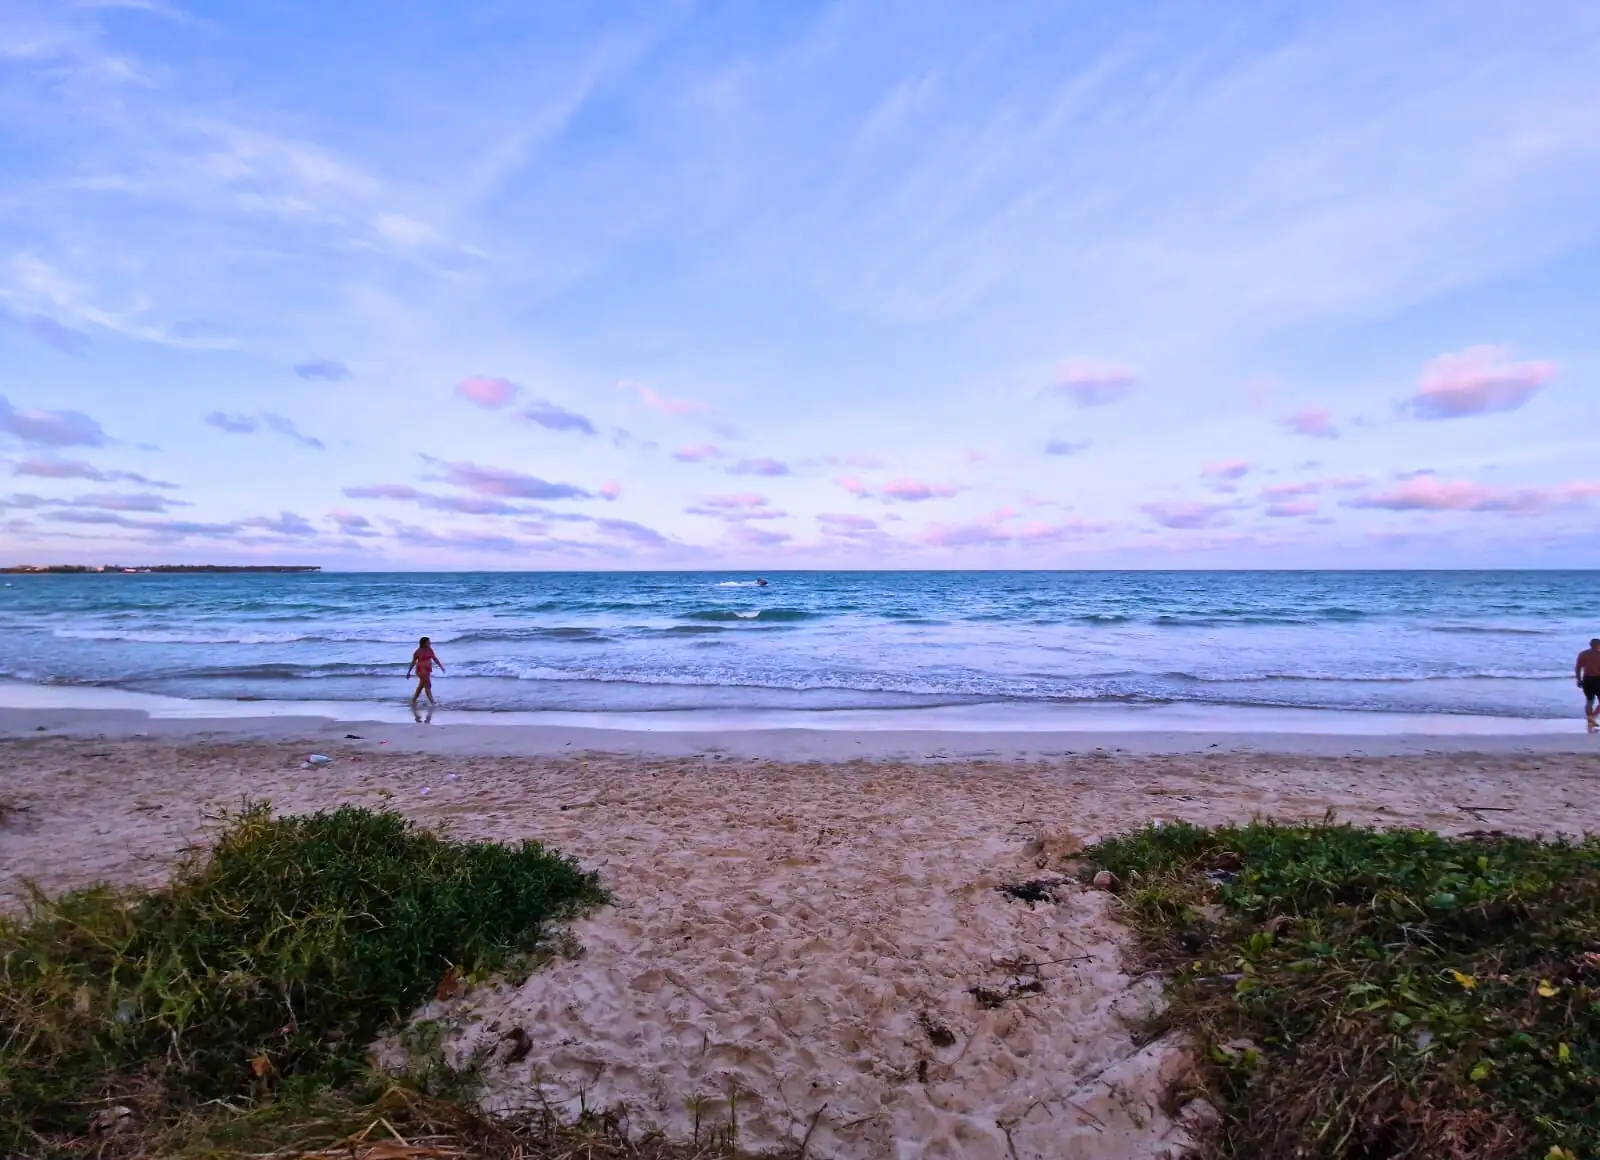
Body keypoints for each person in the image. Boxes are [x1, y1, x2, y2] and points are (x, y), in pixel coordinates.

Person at [406, 636, 444, 710]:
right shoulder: (417, 651)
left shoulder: (430, 649)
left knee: (421, 686)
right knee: (428, 685)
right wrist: (409, 672)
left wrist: (441, 666)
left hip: (427, 669)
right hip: (421, 669)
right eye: (428, 642)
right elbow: (413, 662)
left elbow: (435, 658)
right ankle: (433, 703)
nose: (430, 643)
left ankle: (413, 700)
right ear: (424, 643)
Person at [1578, 638, 1600, 728]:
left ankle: (1590, 719)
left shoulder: (1583, 654)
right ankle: (1593, 716)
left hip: (1586, 679)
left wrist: (1579, 679)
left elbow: (1578, 668)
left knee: (1589, 701)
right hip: (1598, 679)